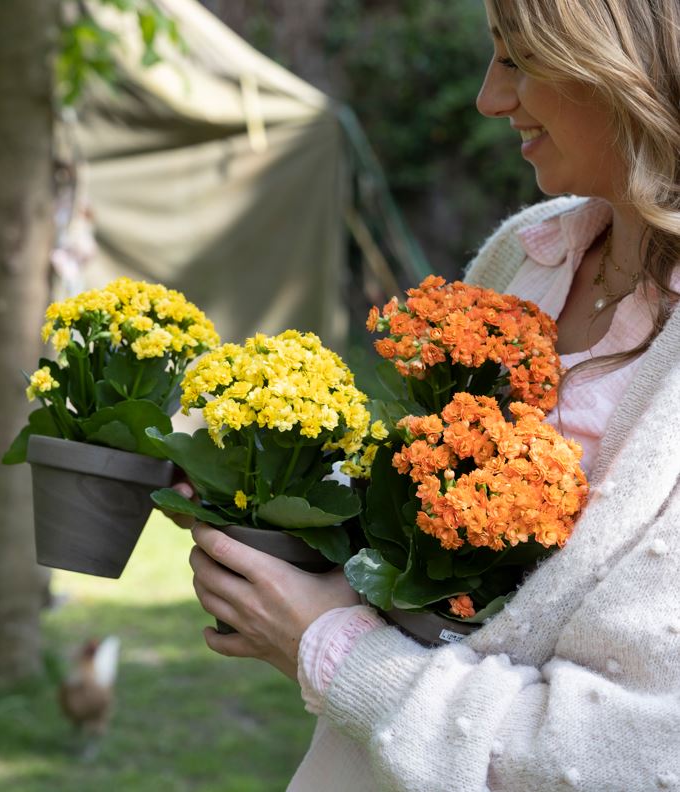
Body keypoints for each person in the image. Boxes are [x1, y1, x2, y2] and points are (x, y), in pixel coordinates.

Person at [166, 1, 680, 789]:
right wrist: (269, 513)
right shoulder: (524, 255)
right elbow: (428, 554)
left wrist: (332, 651)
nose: (489, 98)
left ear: (622, 64)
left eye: (516, 60)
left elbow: (630, 752)